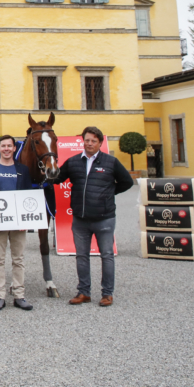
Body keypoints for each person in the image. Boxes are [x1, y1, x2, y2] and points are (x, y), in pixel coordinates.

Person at [56, 126, 134, 307]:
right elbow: (58, 178)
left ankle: (107, 294)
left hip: (104, 218)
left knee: (106, 256)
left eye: (93, 141)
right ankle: (84, 292)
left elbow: (127, 182)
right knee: (81, 256)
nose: (89, 143)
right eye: (87, 140)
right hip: (80, 218)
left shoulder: (111, 162)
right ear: (82, 141)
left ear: (100, 143)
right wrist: (45, 171)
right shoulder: (73, 161)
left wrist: (109, 193)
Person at [0, 135, 33, 312]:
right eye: (4, 146)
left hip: (18, 222)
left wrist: (27, 217)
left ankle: (19, 294)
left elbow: (27, 195)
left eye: (10, 146)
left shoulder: (23, 170)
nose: (7, 149)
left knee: (18, 259)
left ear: (14, 148)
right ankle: (0, 295)